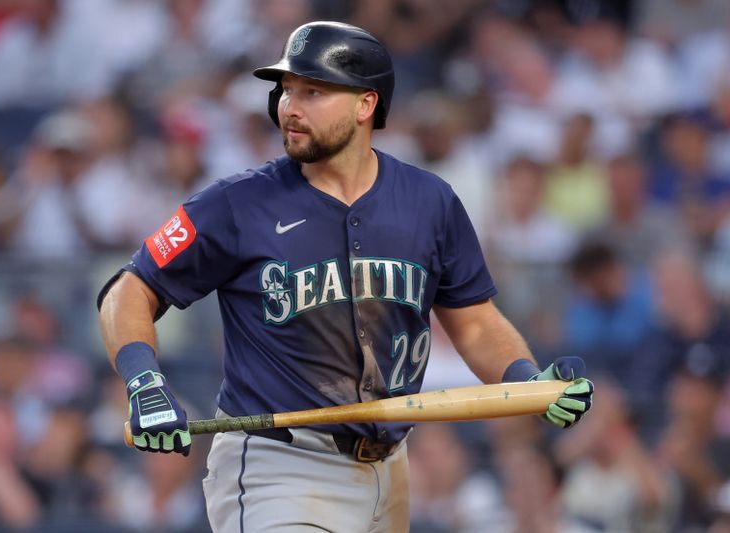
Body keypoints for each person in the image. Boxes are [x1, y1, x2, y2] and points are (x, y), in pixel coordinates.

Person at [97, 20, 594, 533]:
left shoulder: (430, 202)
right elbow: (129, 288)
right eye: (287, 90)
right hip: (280, 468)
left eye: (313, 91)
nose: (289, 107)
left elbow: (473, 321)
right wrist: (144, 381)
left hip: (391, 470)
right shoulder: (236, 203)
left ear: (366, 104)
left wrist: (525, 382)